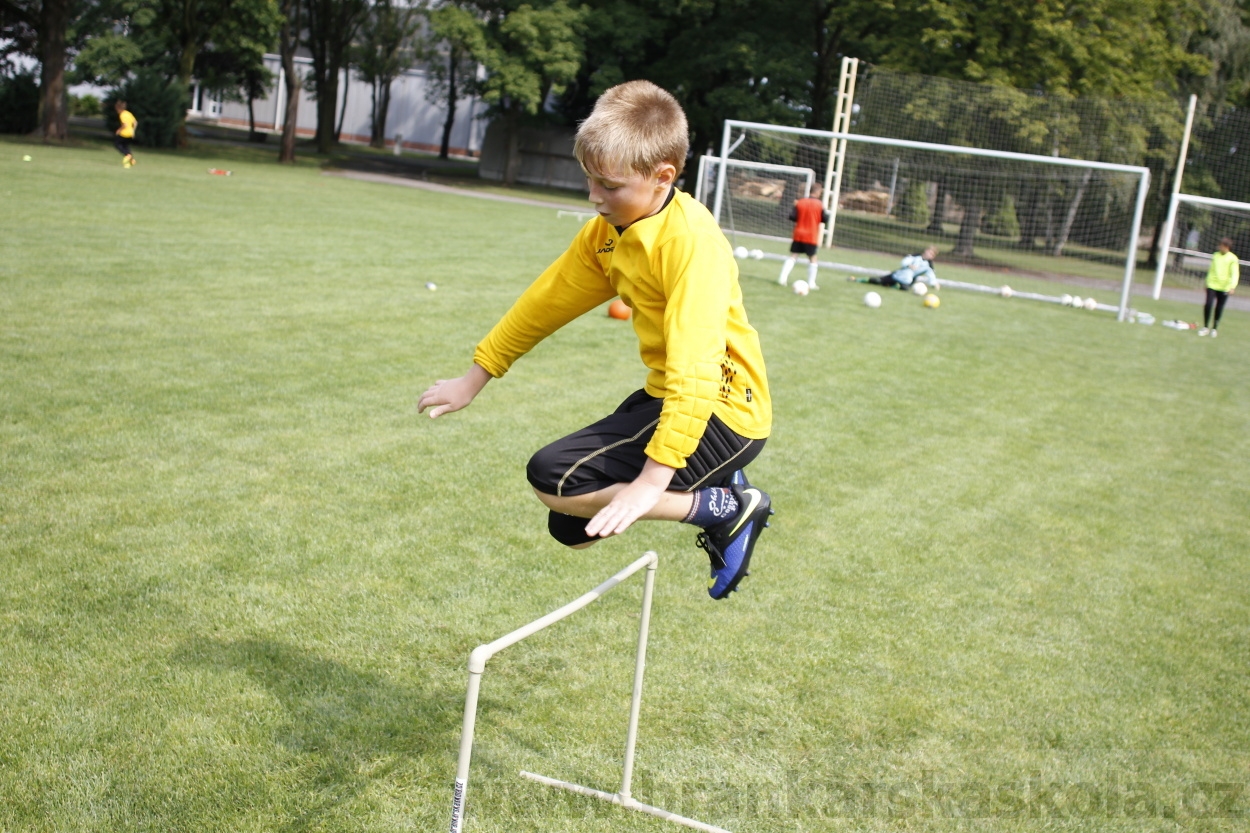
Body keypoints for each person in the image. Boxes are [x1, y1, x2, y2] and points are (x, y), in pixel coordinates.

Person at [417, 81, 774, 600]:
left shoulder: (692, 244)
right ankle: (717, 495)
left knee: (554, 478)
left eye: (609, 185)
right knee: (572, 526)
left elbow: (697, 370)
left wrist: (652, 484)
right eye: (589, 180)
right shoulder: (606, 232)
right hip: (668, 395)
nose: (593, 197)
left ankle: (727, 508)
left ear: (662, 178)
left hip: (723, 411)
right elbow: (544, 304)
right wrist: (475, 378)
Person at [777, 184, 829, 289]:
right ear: (818, 192)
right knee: (813, 258)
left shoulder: (800, 202)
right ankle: (811, 283)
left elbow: (792, 217)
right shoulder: (819, 204)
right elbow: (825, 219)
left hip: (799, 234)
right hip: (811, 235)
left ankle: (782, 278)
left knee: (793, 256)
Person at [1199, 238, 1239, 338]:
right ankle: (1205, 327)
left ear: (1227, 247)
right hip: (1212, 285)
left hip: (1224, 287)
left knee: (1219, 308)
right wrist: (1207, 282)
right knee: (1208, 305)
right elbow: (1211, 270)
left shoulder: (1233, 258)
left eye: (1221, 245)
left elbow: (1235, 273)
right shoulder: (1215, 255)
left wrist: (1232, 286)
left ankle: (1214, 328)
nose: (1219, 247)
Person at [850, 246, 938, 290]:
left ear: (932, 257)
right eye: (928, 252)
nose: (928, 254)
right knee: (878, 281)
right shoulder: (915, 256)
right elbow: (904, 261)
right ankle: (858, 280)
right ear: (925, 250)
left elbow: (931, 275)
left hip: (907, 281)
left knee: (905, 288)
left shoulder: (929, 265)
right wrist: (908, 265)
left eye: (931, 254)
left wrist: (934, 284)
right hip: (897, 275)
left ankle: (894, 286)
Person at [114, 100, 137, 168]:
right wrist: (133, 130)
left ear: (119, 108)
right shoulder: (128, 113)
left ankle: (128, 155)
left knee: (117, 144)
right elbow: (135, 122)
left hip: (124, 133)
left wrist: (119, 130)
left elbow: (125, 125)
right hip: (130, 133)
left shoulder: (122, 115)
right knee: (125, 146)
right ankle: (132, 160)